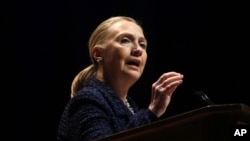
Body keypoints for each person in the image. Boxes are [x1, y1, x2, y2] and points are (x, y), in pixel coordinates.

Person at [57, 16, 184, 141]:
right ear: (98, 54)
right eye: (125, 40)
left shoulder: (130, 106)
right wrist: (152, 111)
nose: (138, 50)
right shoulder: (87, 101)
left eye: (142, 44)